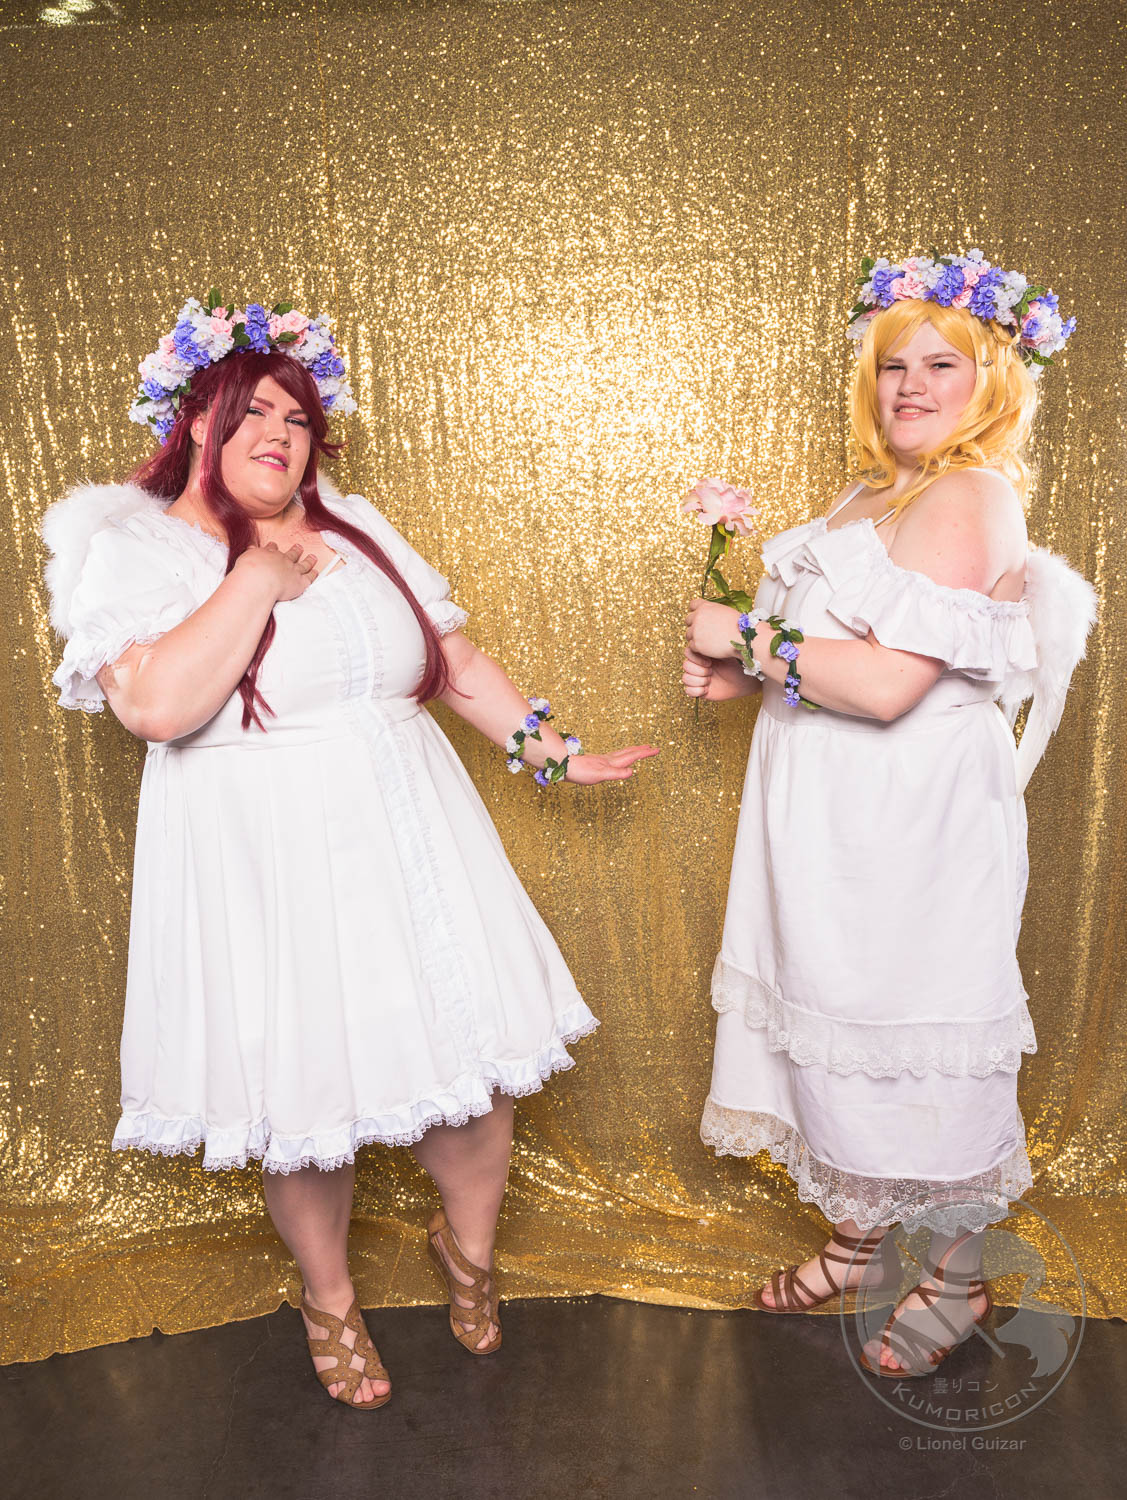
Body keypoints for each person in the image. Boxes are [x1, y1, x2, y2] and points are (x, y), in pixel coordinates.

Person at [42, 295, 658, 1410]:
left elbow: (452, 661)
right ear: (197, 423)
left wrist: (555, 755)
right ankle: (328, 1298)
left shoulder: (356, 522)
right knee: (307, 1099)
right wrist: (257, 576)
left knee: (474, 1067)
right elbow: (158, 708)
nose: (280, 434)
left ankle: (466, 1251)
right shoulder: (132, 550)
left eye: (297, 418)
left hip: (409, 825)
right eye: (254, 412)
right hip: (265, 853)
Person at [682, 253, 1095, 1377]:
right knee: (828, 1015)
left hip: (909, 826)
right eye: (891, 365)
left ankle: (955, 1280)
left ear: (991, 380)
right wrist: (748, 677)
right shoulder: (867, 494)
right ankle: (860, 1241)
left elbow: (882, 686)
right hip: (823, 814)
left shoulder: (969, 496)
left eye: (939, 366)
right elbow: (827, 659)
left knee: (914, 1033)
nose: (908, 386)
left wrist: (745, 638)